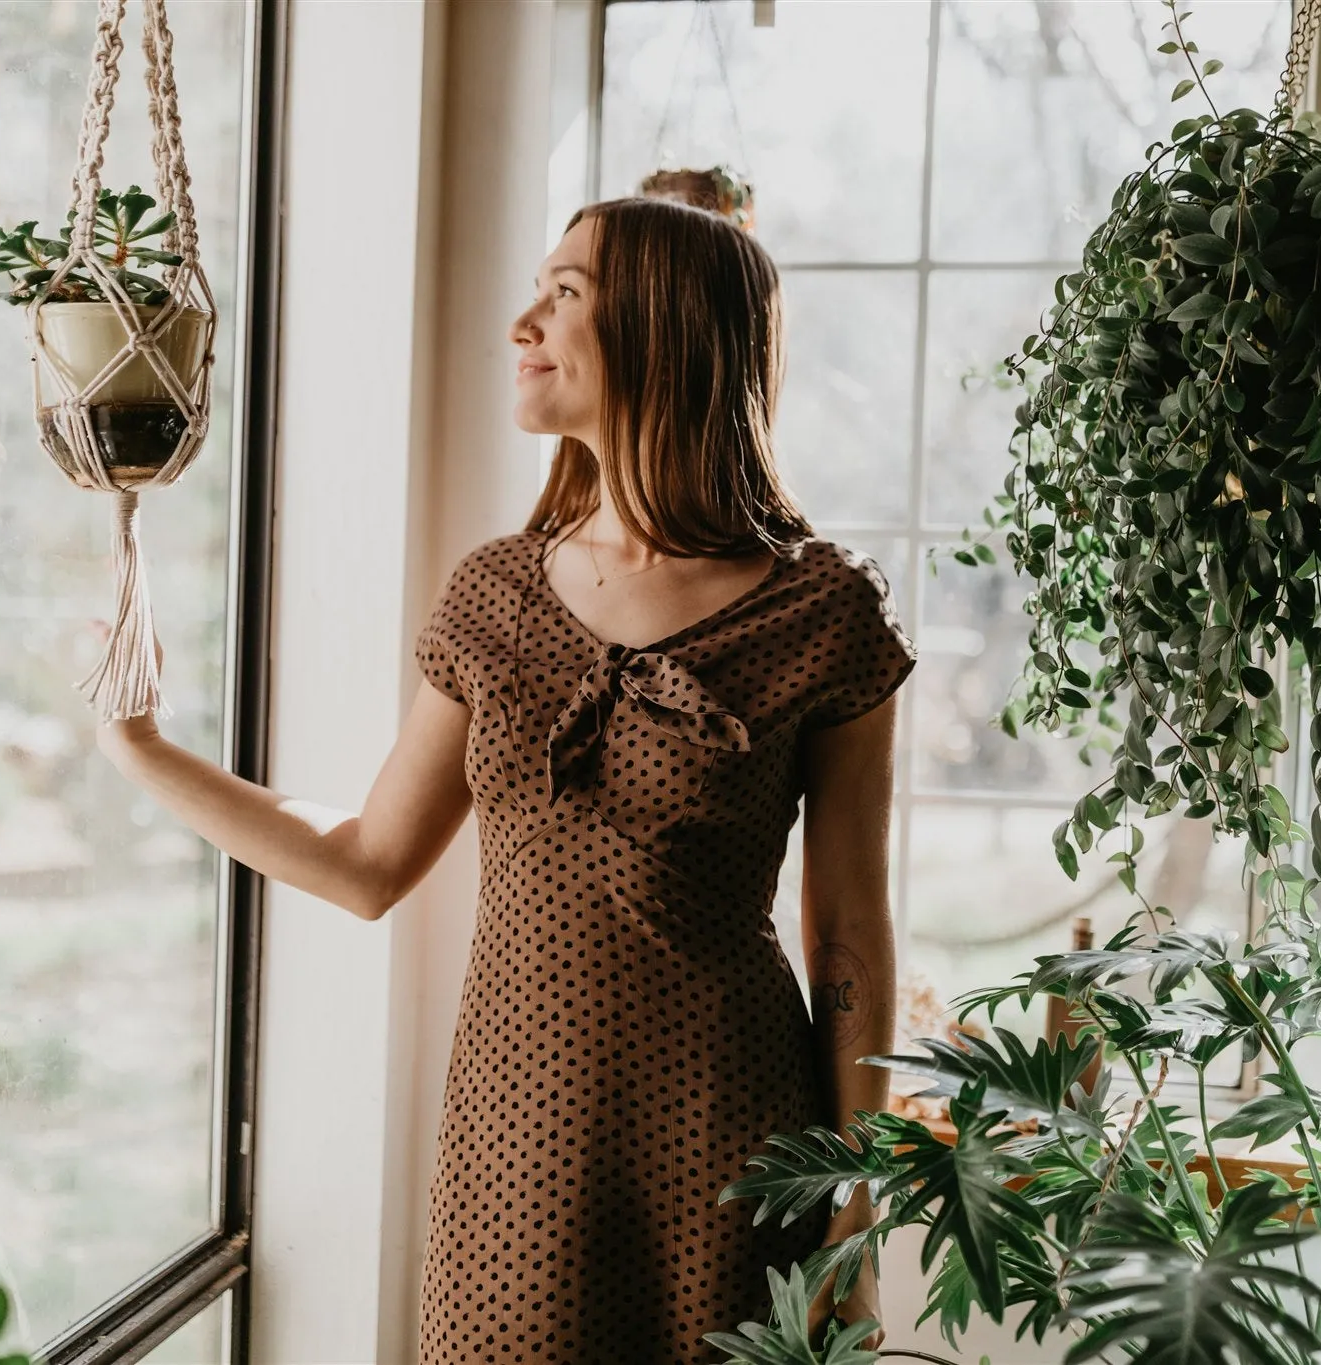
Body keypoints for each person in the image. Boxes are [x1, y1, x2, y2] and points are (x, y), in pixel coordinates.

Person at [97, 196, 914, 1364]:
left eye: (565, 294)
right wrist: (143, 750)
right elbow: (367, 861)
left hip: (734, 1141)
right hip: (513, 1142)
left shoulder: (822, 611)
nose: (522, 321)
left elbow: (849, 945)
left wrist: (855, 1215)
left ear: (664, 331)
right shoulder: (494, 593)